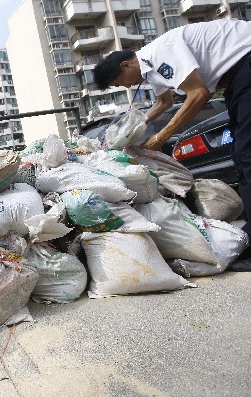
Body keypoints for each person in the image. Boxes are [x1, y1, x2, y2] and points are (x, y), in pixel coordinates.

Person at [93, 19, 251, 269]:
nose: (126, 86)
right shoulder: (149, 69)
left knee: (247, 157)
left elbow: (199, 94)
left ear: (126, 64)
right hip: (235, 78)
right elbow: (163, 103)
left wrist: (160, 137)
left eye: (120, 82)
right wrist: (130, 130)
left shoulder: (160, 53)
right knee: (242, 157)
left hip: (245, 62)